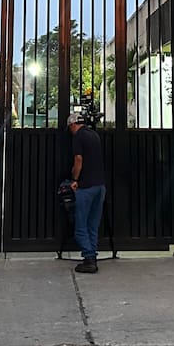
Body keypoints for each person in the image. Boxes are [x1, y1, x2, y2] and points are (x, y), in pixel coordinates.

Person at [67, 110, 105, 274]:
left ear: (73, 124)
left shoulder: (78, 137)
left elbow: (78, 160)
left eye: (69, 127)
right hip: (100, 186)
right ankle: (92, 256)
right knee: (93, 224)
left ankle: (89, 259)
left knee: (80, 225)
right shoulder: (94, 135)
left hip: (86, 187)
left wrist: (75, 179)